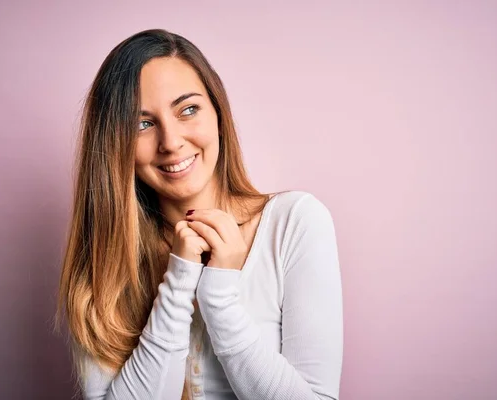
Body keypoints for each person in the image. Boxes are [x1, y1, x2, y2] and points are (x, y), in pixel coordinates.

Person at [56, 28, 343, 400]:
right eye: (142, 124)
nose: (171, 142)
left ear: (218, 112)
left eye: (188, 109)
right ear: (114, 145)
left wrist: (220, 297)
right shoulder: (103, 261)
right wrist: (178, 282)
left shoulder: (295, 223)